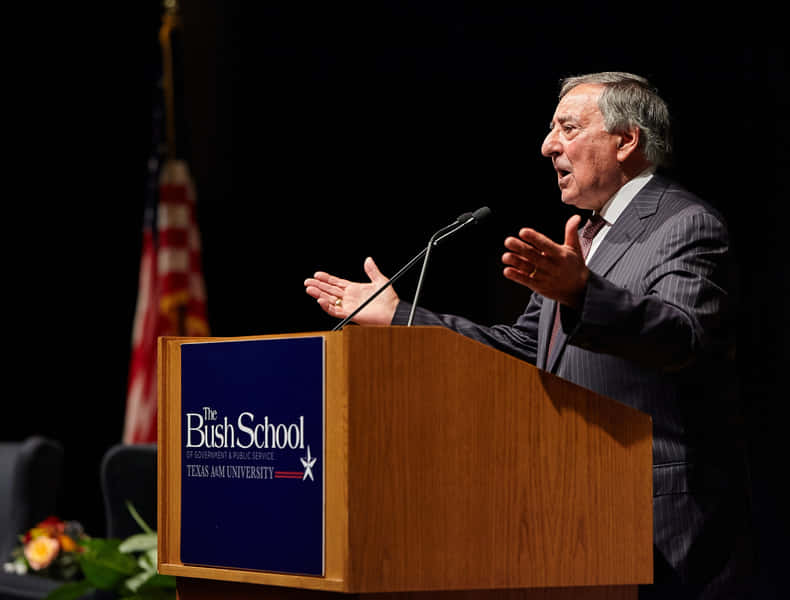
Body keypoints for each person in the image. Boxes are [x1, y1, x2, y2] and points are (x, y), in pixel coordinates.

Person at [304, 72, 752, 599]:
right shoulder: (586, 238)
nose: (548, 146)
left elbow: (683, 338)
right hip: (571, 516)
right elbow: (521, 348)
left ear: (626, 140)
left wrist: (584, 293)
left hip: (661, 526)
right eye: (550, 129)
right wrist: (402, 316)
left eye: (567, 127)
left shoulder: (685, 223)